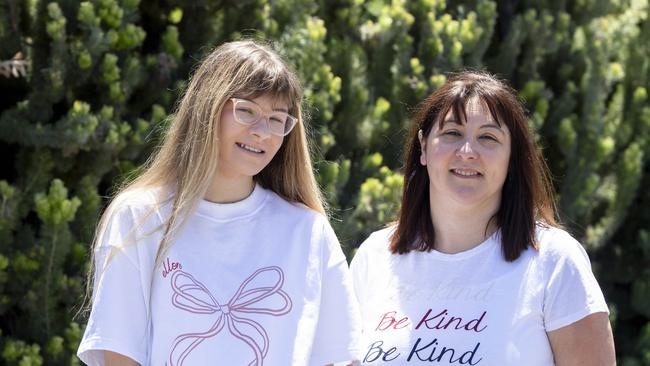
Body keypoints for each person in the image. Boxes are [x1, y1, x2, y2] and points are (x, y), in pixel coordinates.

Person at [77, 40, 361, 366]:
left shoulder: (308, 231)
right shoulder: (140, 218)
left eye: (277, 119)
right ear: (207, 108)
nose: (262, 132)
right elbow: (120, 355)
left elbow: (338, 357)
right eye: (247, 111)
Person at [350, 71, 616, 365]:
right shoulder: (374, 257)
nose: (467, 151)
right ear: (423, 147)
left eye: (487, 138)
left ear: (512, 157)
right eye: (452, 133)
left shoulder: (555, 262)